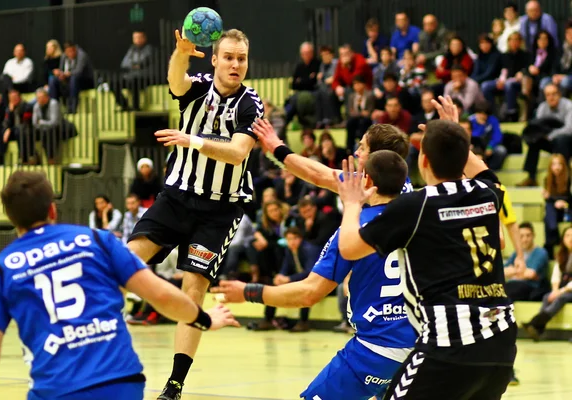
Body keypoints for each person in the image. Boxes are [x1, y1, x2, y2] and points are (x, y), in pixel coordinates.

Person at [0, 171, 238, 400]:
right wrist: (204, 319)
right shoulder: (97, 241)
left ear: (10, 218)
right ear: (52, 209)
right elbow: (159, 293)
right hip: (121, 383)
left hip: (56, 389)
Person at [335, 97, 517, 399]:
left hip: (448, 345)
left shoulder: (416, 206)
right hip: (501, 342)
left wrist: (352, 204)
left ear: (423, 162)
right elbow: (481, 170)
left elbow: (350, 248)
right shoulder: (489, 194)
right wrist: (454, 131)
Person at [213, 150, 417, 400]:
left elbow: (309, 293)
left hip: (376, 348)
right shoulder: (424, 217)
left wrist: (249, 291)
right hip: (423, 349)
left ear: (366, 183)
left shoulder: (356, 229)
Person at [127, 28, 263, 400]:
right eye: (230, 57)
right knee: (125, 263)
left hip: (219, 210)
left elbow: (237, 153)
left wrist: (193, 140)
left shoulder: (251, 104)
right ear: (215, 59)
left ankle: (174, 386)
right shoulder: (199, 87)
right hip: (175, 198)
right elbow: (175, 79)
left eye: (242, 58)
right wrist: (182, 53)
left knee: (193, 288)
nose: (236, 64)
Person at [251, 119, 413, 196]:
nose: (356, 152)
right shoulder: (407, 185)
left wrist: (276, 147)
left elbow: (316, 174)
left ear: (378, 157)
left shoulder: (367, 185)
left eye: (362, 148)